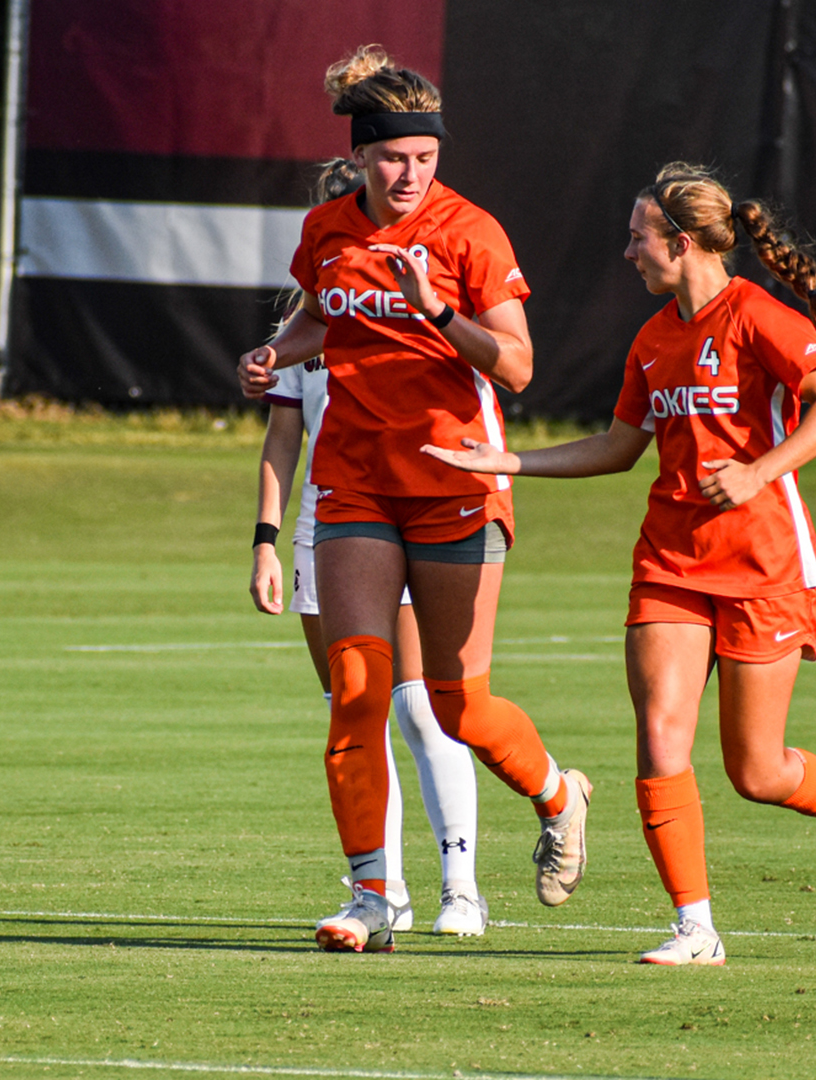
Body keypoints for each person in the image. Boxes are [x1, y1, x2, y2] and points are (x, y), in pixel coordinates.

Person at [424, 163, 816, 966]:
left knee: (757, 770)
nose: (627, 253)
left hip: (766, 566)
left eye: (637, 238)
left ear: (681, 244)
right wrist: (507, 462)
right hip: (671, 564)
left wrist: (759, 471)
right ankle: (695, 927)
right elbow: (619, 447)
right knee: (659, 739)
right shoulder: (652, 340)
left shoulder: (758, 316)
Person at [239, 45, 591, 954]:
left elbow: (517, 367)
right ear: (360, 154)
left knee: (457, 705)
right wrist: (276, 353)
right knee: (356, 689)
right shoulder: (327, 230)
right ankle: (371, 897)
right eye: (394, 158)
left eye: (425, 158)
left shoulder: (472, 233)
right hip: (355, 484)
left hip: (455, 485)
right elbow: (320, 316)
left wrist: (436, 310)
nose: (410, 175)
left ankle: (558, 792)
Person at [252, 159, 488, 937]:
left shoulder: (423, 304)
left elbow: (498, 365)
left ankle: (462, 889)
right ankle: (381, 893)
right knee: (352, 711)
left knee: (420, 709)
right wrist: (264, 542)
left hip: (411, 514)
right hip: (329, 524)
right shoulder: (304, 336)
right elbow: (282, 437)